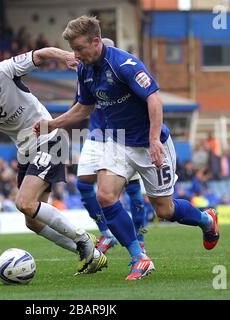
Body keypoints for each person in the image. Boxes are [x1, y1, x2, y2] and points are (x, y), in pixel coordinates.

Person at [34, 16, 220, 280]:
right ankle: (139, 258)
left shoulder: (124, 64)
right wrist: (54, 123)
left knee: (165, 210)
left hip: (149, 144)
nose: (74, 55)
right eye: (72, 49)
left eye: (79, 48)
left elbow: (154, 99)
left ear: (96, 42)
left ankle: (206, 219)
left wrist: (154, 139)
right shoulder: (85, 70)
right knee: (106, 196)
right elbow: (84, 107)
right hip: (118, 142)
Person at [0, 39, 106, 274]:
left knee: (24, 202)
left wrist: (65, 56)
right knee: (32, 220)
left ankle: (83, 239)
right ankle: (92, 254)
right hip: (26, 150)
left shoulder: (5, 70)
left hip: (49, 140)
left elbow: (40, 54)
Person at [75, 38, 147, 254]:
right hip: (97, 135)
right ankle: (106, 233)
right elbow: (80, 105)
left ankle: (139, 237)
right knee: (84, 184)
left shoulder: (121, 71)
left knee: (133, 188)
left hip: (124, 136)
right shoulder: (86, 73)